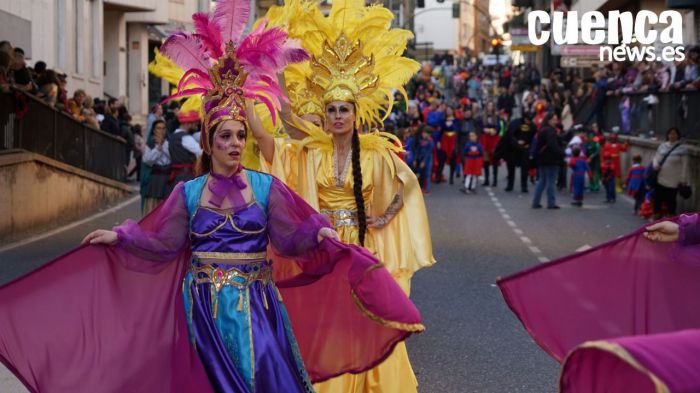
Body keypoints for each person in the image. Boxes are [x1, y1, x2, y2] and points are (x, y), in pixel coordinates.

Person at [0, 2, 425, 392]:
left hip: (258, 310)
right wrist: (121, 237)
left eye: (241, 135)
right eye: (226, 136)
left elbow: (291, 238)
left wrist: (321, 238)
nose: (236, 143)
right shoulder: (188, 193)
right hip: (202, 311)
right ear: (209, 141)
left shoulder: (265, 187)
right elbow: (164, 243)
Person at [249, 1, 435, 391]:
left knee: (363, 320)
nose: (336, 116)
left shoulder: (374, 153)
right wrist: (258, 86)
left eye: (343, 110)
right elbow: (273, 135)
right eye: (331, 109)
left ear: (355, 113)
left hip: (362, 248)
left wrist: (384, 218)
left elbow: (405, 186)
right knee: (327, 322)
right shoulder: (311, 152)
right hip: (325, 247)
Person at [651, 126, 689, 218]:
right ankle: (656, 216)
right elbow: (656, 157)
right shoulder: (663, 146)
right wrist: (655, 165)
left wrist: (683, 179)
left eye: (674, 134)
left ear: (678, 135)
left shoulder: (682, 148)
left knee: (671, 200)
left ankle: (671, 218)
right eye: (670, 133)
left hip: (674, 180)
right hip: (661, 178)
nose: (672, 135)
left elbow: (685, 165)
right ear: (667, 135)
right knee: (657, 199)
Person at [532, 113, 564, 209]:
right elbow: (552, 145)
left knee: (541, 180)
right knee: (551, 181)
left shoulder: (542, 130)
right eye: (554, 119)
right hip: (550, 159)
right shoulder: (550, 131)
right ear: (549, 120)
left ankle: (535, 202)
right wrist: (562, 153)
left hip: (542, 158)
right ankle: (551, 202)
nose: (556, 121)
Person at [141, 119, 171, 215]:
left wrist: (163, 145)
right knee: (152, 207)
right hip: (155, 179)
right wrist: (158, 148)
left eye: (163, 128)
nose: (161, 131)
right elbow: (148, 160)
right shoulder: (149, 144)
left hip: (167, 178)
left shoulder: (169, 143)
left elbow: (173, 156)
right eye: (158, 128)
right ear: (154, 130)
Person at [168, 110, 203, 191]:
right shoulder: (186, 138)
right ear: (187, 124)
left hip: (176, 176)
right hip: (186, 176)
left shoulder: (173, 136)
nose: (196, 126)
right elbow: (201, 152)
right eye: (194, 123)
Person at [505, 113, 535, 193]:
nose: (528, 122)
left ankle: (524, 186)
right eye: (527, 120)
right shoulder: (515, 123)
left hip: (525, 149)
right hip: (513, 149)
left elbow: (533, 137)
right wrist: (516, 142)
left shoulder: (532, 125)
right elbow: (510, 135)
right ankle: (510, 185)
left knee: (525, 169)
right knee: (511, 167)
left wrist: (526, 143)